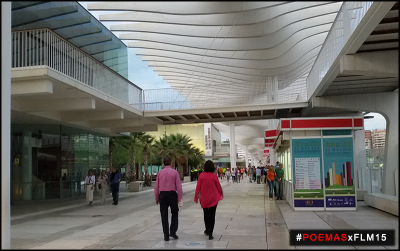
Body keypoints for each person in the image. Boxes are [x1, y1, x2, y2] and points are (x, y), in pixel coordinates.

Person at [154, 157, 183, 241]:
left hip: (162, 195)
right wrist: (179, 197)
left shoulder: (160, 173)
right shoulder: (175, 172)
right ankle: (172, 232)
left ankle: (166, 235)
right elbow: (179, 186)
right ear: (171, 163)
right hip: (172, 195)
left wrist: (156, 197)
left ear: (164, 163)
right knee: (174, 213)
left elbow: (156, 186)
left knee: (164, 215)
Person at [194, 160, 223, 240]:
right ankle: (211, 233)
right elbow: (218, 186)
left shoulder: (201, 175)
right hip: (214, 198)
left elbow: (198, 187)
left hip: (204, 198)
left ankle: (207, 229)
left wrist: (196, 197)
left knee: (206, 214)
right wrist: (221, 194)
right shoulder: (214, 176)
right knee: (212, 215)